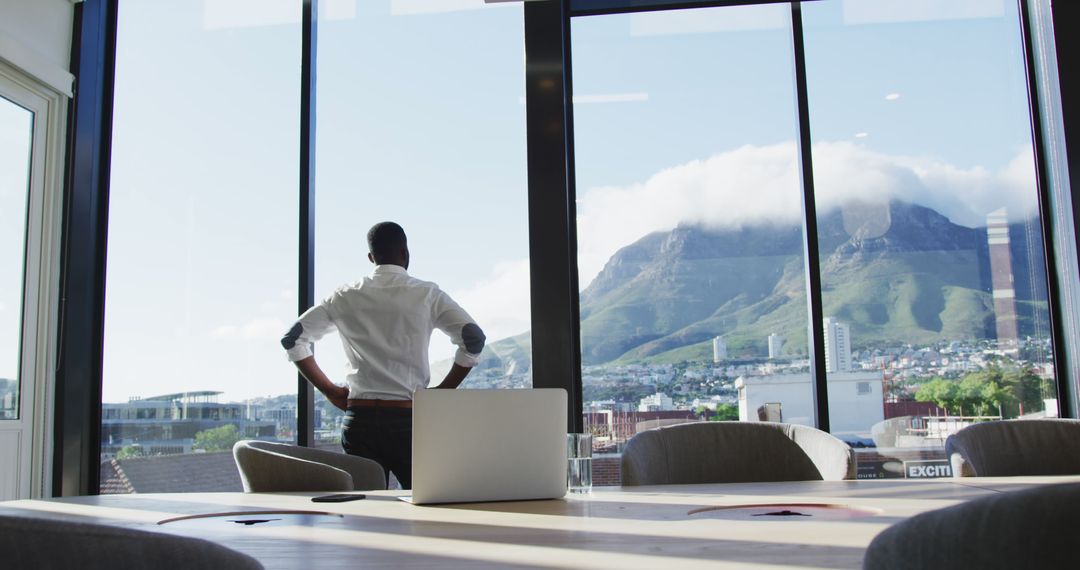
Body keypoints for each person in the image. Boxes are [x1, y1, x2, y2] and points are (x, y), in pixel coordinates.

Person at [280, 221, 485, 489]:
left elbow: (292, 339)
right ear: (405, 252)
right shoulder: (427, 294)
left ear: (371, 257)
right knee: (425, 509)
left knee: (365, 513)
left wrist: (329, 390)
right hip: (408, 421)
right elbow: (474, 338)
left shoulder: (344, 295)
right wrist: (442, 392)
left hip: (359, 421)